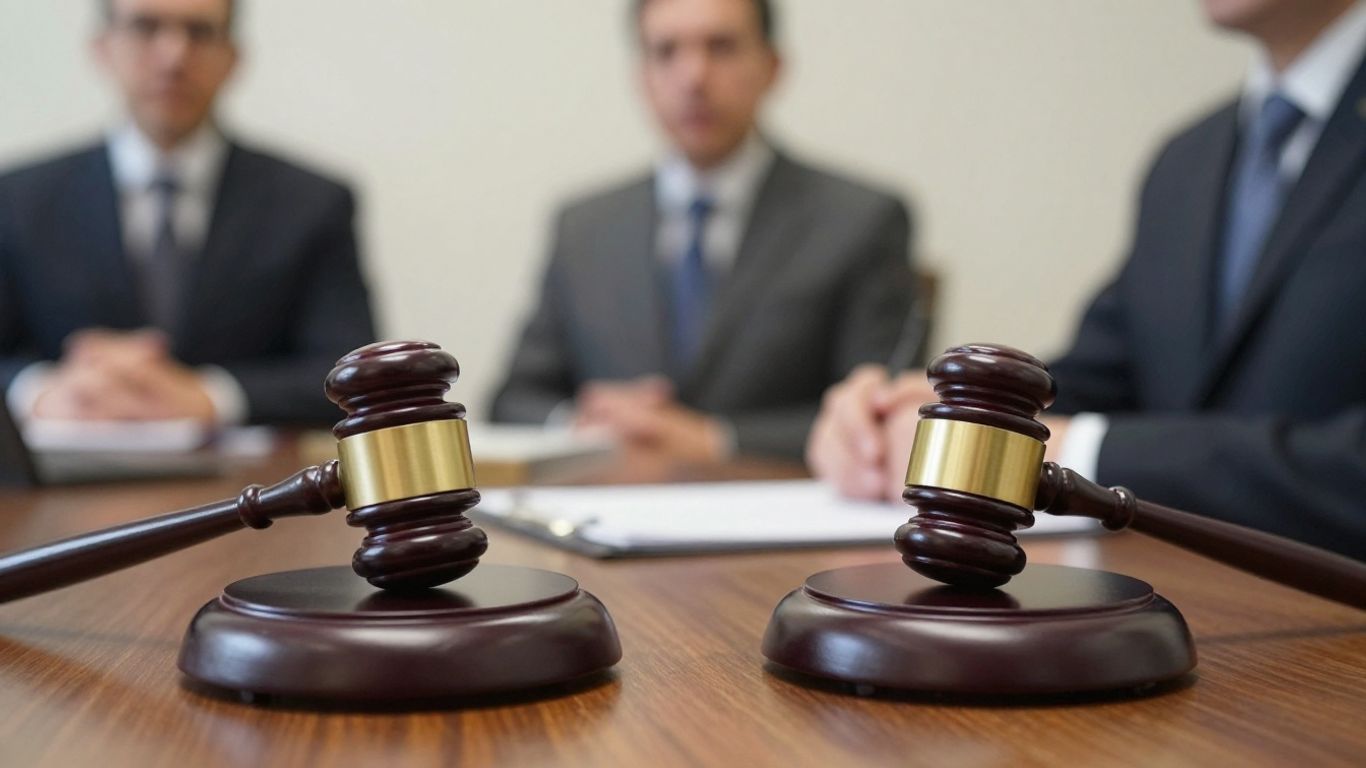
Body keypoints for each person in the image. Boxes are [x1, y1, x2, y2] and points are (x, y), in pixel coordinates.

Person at [806, 0, 1366, 560]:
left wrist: (1087, 454)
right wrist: (944, 411)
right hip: (1183, 594)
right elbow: (1105, 375)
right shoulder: (1190, 160)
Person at [490, 0, 916, 461]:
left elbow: (882, 416)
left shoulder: (861, 219)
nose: (693, 76)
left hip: (780, 518)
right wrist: (582, 424)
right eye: (666, 51)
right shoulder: (583, 228)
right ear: (642, 77)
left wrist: (717, 439)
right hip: (611, 511)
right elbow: (513, 400)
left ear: (773, 67)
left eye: (722, 47)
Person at [0, 0, 376, 427]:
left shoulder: (313, 202)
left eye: (199, 33)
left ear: (233, 58)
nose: (173, 55)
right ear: (102, 47)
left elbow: (352, 373)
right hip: (58, 487)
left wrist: (211, 396)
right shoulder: (18, 199)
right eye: (146, 27)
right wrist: (43, 391)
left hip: (250, 487)